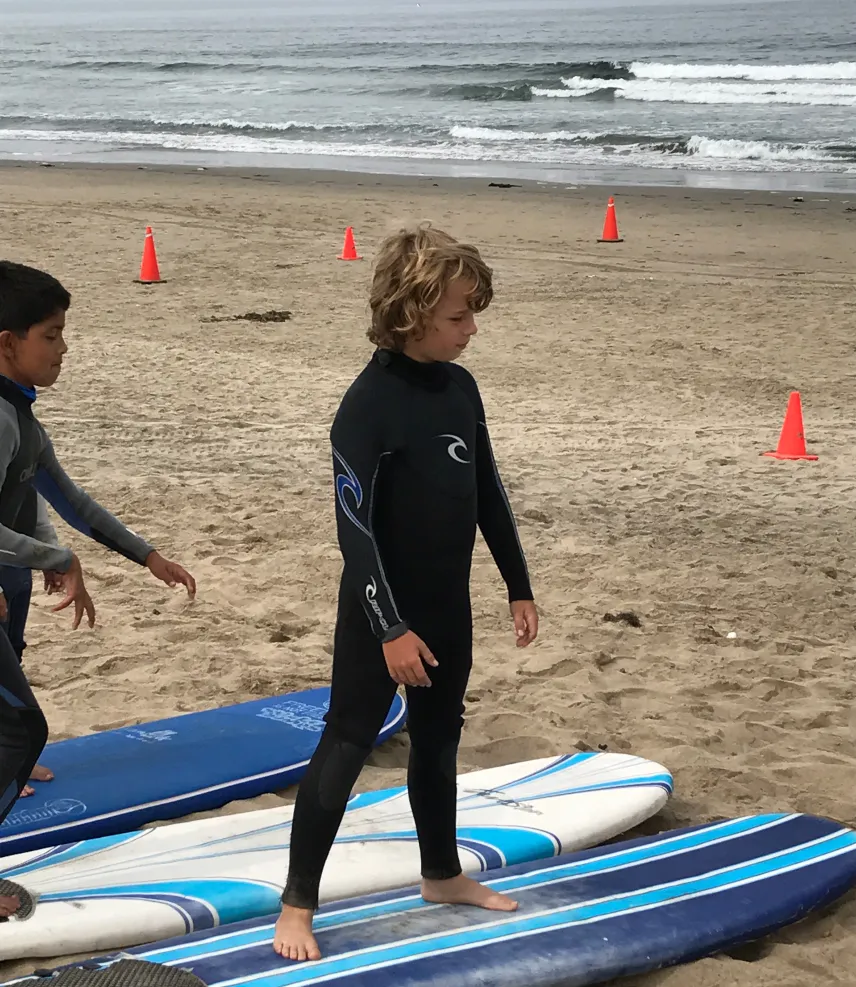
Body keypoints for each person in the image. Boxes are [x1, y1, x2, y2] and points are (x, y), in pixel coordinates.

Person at [273, 226, 539, 961]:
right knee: (349, 739)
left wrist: (517, 583)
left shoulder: (461, 388)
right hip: (378, 611)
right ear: (411, 311)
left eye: (473, 313)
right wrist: (389, 626)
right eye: (458, 316)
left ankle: (442, 874)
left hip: (447, 605)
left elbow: (487, 489)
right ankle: (296, 903)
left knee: (441, 736)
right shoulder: (367, 406)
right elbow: (353, 533)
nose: (472, 329)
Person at [0, 260, 196, 885]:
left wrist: (148, 556)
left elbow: (62, 498)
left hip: (9, 581)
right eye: (51, 336)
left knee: (10, 694)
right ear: (8, 343)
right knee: (22, 727)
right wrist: (60, 559)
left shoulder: (20, 417)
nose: (64, 348)